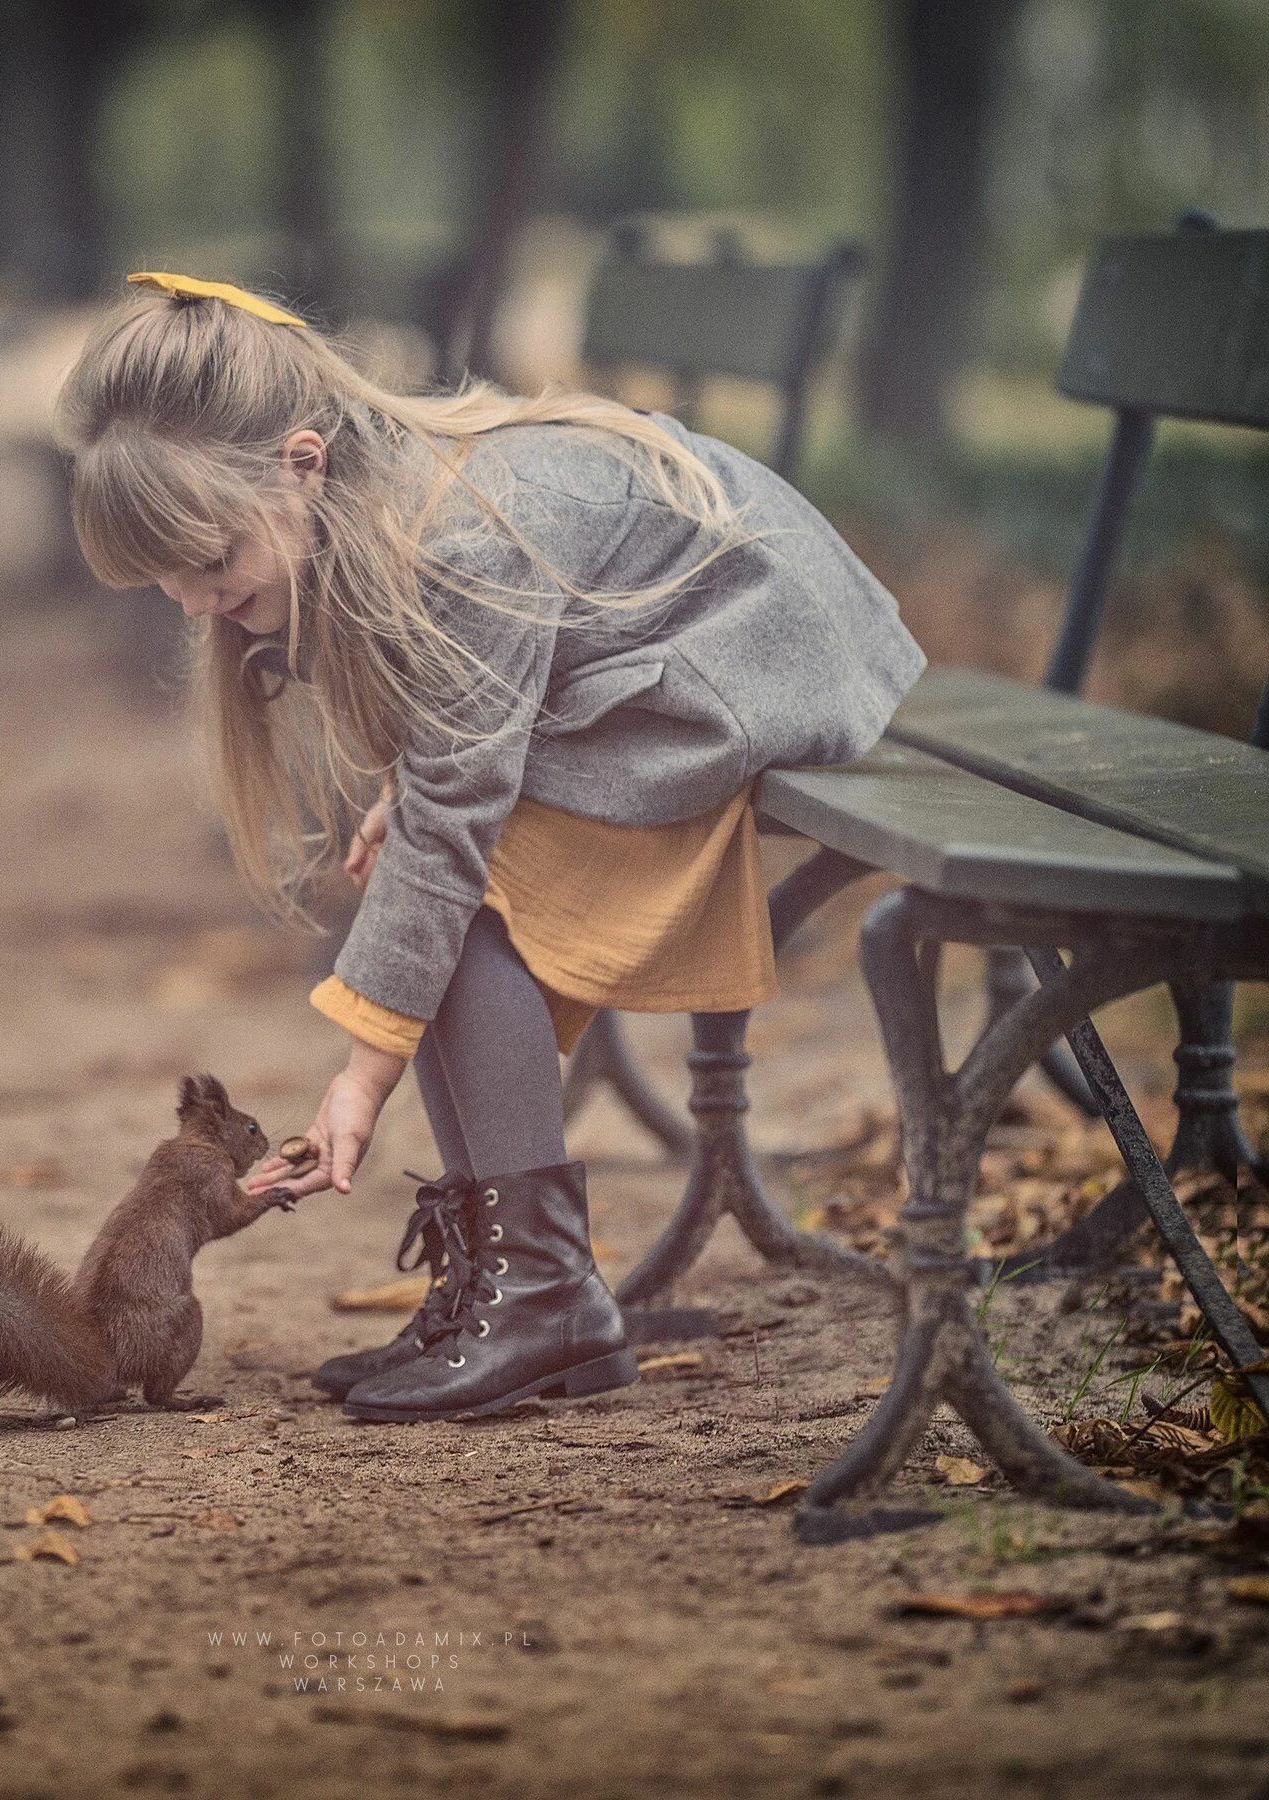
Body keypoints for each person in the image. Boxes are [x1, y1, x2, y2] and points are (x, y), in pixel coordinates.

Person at [56, 270, 926, 1423]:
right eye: (169, 583)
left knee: (464, 884)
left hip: (755, 666)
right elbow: (457, 749)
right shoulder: (371, 514)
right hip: (662, 660)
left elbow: (459, 805)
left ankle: (544, 1291)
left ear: (300, 465)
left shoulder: (459, 540)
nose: (196, 604)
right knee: (429, 864)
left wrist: (361, 1078)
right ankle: (498, 1279)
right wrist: (416, 804)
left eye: (212, 566)